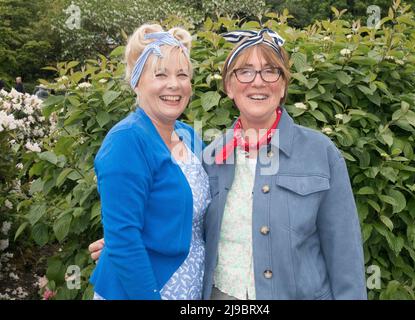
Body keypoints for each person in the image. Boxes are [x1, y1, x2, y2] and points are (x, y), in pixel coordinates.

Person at [90, 28, 367, 300]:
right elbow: (148, 220)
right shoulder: (213, 153)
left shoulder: (320, 153)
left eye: (271, 71)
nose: (258, 81)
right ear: (229, 86)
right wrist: (121, 244)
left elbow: (345, 254)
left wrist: (125, 242)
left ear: (283, 85)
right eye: (245, 71)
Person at [89, 23, 210, 300]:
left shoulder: (188, 136)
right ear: (136, 80)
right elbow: (125, 240)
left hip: (188, 288)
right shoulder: (127, 141)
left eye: (182, 74)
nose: (174, 84)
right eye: (160, 74)